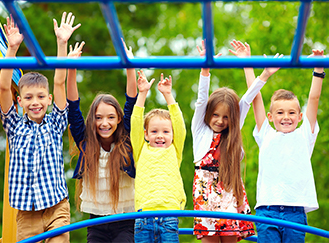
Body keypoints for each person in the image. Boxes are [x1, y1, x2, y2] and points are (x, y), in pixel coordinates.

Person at [0, 12, 80, 242]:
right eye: (29, 97)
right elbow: (4, 88)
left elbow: (58, 81)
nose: (35, 102)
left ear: (50, 99)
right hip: (26, 214)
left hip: (56, 209)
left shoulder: (55, 123)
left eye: (41, 97)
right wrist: (12, 49)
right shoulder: (13, 125)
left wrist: (62, 43)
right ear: (20, 101)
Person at [233, 40, 325, 242]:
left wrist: (319, 70)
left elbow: (313, 98)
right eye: (280, 112)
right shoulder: (266, 133)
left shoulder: (304, 134)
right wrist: (247, 63)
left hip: (295, 211)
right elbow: (255, 97)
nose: (286, 117)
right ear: (270, 116)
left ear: (300, 117)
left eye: (292, 112)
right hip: (267, 210)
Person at [192, 40, 279, 243]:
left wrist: (264, 75)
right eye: (215, 115)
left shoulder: (232, 132)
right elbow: (201, 99)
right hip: (206, 192)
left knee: (230, 238)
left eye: (226, 117)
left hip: (230, 189)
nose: (220, 121)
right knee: (211, 239)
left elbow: (247, 99)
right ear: (208, 114)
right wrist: (205, 71)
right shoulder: (200, 129)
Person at [67, 40, 137, 242]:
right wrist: (72, 68)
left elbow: (131, 103)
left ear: (119, 120)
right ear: (92, 120)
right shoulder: (87, 142)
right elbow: (73, 107)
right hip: (96, 223)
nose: (104, 123)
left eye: (110, 117)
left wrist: (130, 66)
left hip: (125, 220)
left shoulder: (126, 142)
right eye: (99, 118)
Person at [131, 70, 186, 243]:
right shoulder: (140, 149)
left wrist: (168, 96)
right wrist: (142, 94)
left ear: (172, 134)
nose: (160, 136)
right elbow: (135, 122)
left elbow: (179, 125)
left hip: (169, 215)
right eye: (154, 131)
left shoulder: (174, 150)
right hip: (143, 217)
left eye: (165, 131)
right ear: (146, 134)